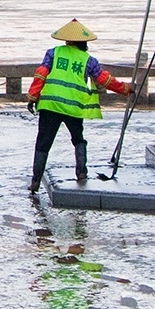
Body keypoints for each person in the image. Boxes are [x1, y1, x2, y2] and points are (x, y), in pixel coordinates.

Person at [27, 18, 132, 191]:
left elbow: (41, 75)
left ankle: (35, 181)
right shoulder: (89, 60)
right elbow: (104, 80)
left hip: (50, 106)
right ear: (83, 42)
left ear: (67, 40)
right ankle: (81, 172)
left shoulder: (53, 53)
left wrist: (32, 97)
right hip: (73, 107)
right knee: (78, 139)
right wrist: (126, 88)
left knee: (43, 143)